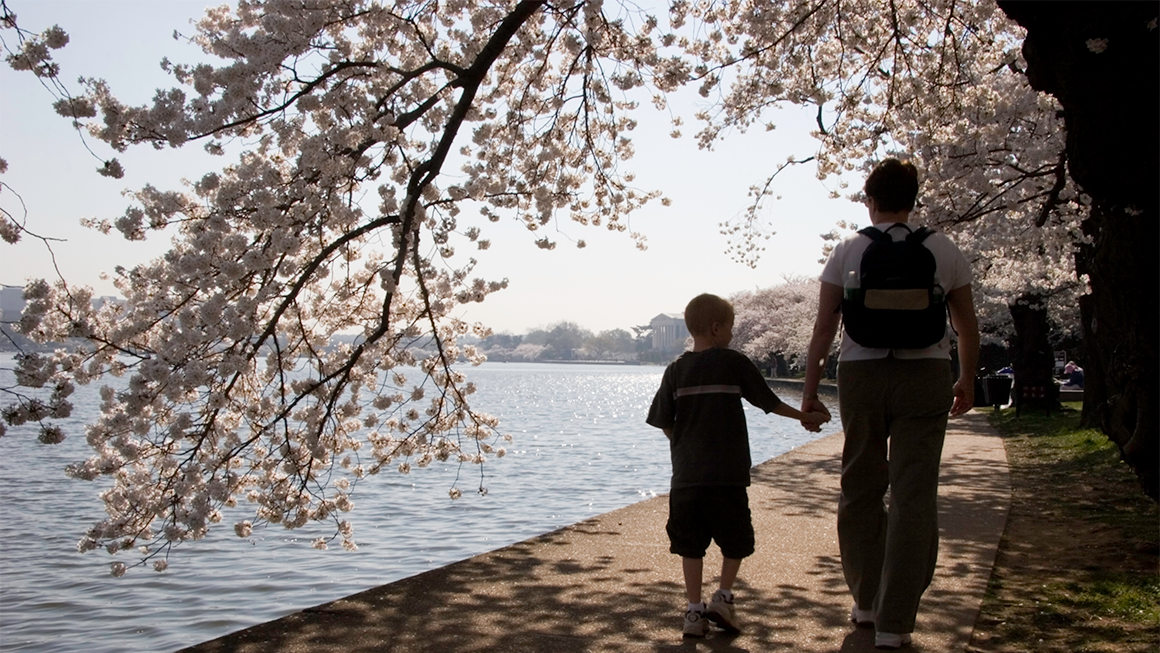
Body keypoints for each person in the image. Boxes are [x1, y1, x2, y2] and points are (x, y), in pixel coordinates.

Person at [799, 159, 980, 650]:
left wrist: (811, 392)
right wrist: (965, 379)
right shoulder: (944, 249)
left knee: (859, 486)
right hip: (925, 375)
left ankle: (865, 603)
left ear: (869, 200)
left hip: (861, 374)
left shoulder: (847, 249)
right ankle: (896, 623)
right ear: (914, 200)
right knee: (913, 494)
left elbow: (822, 331)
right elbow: (966, 326)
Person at [646, 293, 831, 638]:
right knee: (736, 540)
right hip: (727, 474)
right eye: (730, 328)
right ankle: (724, 596)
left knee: (690, 544)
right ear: (716, 328)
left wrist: (683, 445)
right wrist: (805, 416)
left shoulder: (675, 370)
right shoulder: (733, 362)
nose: (732, 334)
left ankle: (693, 611)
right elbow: (769, 402)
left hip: (686, 477)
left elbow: (663, 421)